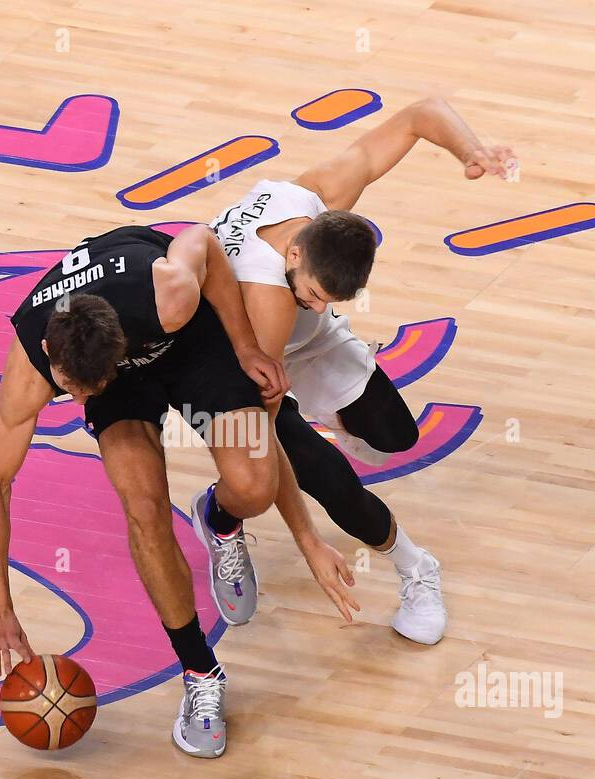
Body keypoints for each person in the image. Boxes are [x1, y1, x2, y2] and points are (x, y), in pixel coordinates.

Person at [200, 95, 515, 645]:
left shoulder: (310, 200)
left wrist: (473, 150)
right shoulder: (268, 297)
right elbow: (262, 419)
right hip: (236, 365)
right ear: (294, 255)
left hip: (298, 346)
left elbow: (421, 113)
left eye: (334, 298)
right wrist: (307, 540)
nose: (322, 305)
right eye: (318, 295)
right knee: (328, 480)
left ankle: (331, 420)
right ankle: (414, 567)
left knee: (396, 435)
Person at [0, 224, 285, 759]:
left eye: (81, 393)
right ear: (50, 352)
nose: (73, 404)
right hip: (123, 381)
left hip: (185, 346)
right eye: (69, 390)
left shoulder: (169, 293)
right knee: (143, 507)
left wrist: (246, 345)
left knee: (255, 487)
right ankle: (198, 669)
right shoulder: (32, 362)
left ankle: (221, 519)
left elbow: (203, 240)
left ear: (116, 352)